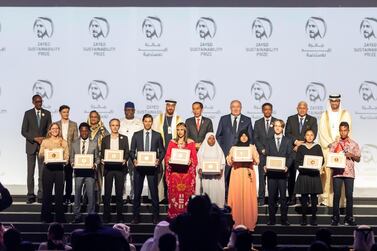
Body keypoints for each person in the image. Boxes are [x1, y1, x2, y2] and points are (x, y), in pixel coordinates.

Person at [130, 114, 165, 224]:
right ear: (143, 122)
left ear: (152, 122)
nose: (148, 123)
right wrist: (134, 160)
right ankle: (136, 217)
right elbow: (131, 151)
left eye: (150, 121)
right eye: (146, 121)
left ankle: (156, 217)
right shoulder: (136, 135)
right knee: (137, 194)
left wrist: (158, 160)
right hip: (139, 168)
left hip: (152, 168)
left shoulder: (157, 135)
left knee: (154, 194)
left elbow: (162, 151)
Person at [216, 100, 253, 201]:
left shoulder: (247, 120)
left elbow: (250, 138)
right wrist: (223, 151)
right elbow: (218, 136)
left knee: (239, 179)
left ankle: (238, 198)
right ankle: (227, 198)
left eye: (238, 107)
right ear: (230, 108)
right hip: (227, 153)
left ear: (241, 108)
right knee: (226, 177)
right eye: (233, 107)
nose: (236, 109)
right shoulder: (223, 119)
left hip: (242, 156)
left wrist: (246, 153)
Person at [318, 94, 352, 207]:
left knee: (340, 174)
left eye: (336, 101)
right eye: (332, 101)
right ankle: (325, 199)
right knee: (327, 174)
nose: (334, 103)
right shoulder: (324, 115)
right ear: (329, 102)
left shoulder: (345, 114)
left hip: (341, 149)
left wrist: (339, 144)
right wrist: (330, 144)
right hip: (328, 149)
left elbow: (347, 129)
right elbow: (322, 131)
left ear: (339, 101)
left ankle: (340, 201)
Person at [285, 101, 318, 206]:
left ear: (307, 109)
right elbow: (287, 133)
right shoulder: (291, 119)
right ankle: (291, 197)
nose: (302, 109)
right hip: (293, 151)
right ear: (297, 108)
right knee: (291, 176)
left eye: (304, 108)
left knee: (306, 177)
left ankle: (306, 198)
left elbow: (313, 134)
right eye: (300, 107)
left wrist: (301, 145)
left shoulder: (313, 119)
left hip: (306, 152)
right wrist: (295, 142)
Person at [21, 94, 52, 204]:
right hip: (31, 146)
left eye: (41, 101)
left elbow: (50, 130)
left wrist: (43, 139)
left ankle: (41, 195)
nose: (39, 103)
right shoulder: (28, 113)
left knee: (42, 172)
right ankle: (30, 195)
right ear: (33, 102)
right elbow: (23, 131)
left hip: (43, 147)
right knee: (30, 172)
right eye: (37, 102)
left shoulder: (47, 113)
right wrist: (34, 138)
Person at [226, 130, 259, 230]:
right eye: (242, 136)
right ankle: (236, 222)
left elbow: (257, 160)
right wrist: (231, 159)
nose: (244, 137)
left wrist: (253, 159)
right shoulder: (234, 148)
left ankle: (249, 222)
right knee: (237, 196)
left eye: (246, 136)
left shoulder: (252, 147)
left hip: (248, 173)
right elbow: (228, 161)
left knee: (248, 197)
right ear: (239, 137)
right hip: (237, 173)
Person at [165, 122, 198, 219]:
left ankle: (187, 215)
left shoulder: (191, 143)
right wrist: (169, 160)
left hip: (187, 174)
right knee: (174, 195)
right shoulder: (172, 142)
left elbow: (195, 159)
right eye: (178, 129)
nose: (180, 132)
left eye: (182, 129)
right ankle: (173, 215)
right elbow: (167, 156)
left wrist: (190, 161)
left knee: (186, 196)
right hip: (175, 174)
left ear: (185, 130)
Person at [330, 122, 360, 226]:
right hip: (337, 173)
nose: (343, 132)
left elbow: (358, 158)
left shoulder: (353, 143)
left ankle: (349, 218)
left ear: (348, 131)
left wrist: (351, 155)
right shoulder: (335, 144)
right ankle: (335, 218)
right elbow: (330, 157)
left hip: (349, 173)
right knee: (336, 196)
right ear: (339, 131)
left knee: (349, 196)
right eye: (341, 130)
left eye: (345, 130)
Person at [264, 119, 293, 226]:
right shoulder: (268, 140)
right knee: (271, 197)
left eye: (279, 126)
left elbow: (290, 156)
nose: (277, 127)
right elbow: (265, 155)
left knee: (283, 198)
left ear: (282, 128)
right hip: (271, 174)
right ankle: (271, 220)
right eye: (275, 125)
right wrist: (264, 165)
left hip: (282, 174)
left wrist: (287, 166)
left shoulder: (288, 140)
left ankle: (284, 220)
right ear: (273, 127)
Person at [153, 100, 183, 202]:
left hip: (174, 152)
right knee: (161, 174)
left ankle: (172, 196)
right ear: (166, 106)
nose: (170, 108)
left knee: (172, 174)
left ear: (175, 107)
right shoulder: (159, 118)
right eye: (168, 106)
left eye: (172, 106)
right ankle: (161, 197)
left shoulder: (179, 119)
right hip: (161, 150)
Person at [39, 123, 69, 223]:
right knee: (47, 194)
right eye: (53, 128)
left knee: (59, 195)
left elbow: (67, 157)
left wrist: (63, 159)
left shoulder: (64, 142)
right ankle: (46, 218)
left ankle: (60, 218)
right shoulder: (45, 141)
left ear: (59, 130)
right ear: (50, 130)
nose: (55, 130)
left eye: (57, 128)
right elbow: (40, 155)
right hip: (48, 169)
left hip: (59, 170)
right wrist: (48, 152)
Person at [71, 123, 100, 223]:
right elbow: (71, 158)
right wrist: (72, 163)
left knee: (91, 196)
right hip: (78, 173)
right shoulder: (74, 143)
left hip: (90, 174)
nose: (84, 133)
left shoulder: (94, 143)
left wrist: (95, 165)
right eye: (82, 131)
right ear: (80, 131)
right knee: (77, 195)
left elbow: (98, 158)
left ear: (89, 131)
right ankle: (77, 216)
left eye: (86, 131)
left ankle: (91, 217)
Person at [101, 118, 129, 223]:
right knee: (107, 194)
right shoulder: (105, 139)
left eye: (117, 125)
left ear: (119, 126)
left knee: (119, 193)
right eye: (113, 125)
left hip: (120, 169)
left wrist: (125, 159)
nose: (115, 127)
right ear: (110, 126)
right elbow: (102, 153)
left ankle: (119, 215)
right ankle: (106, 215)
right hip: (108, 168)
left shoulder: (124, 138)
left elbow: (127, 152)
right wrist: (103, 159)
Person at [294, 129, 324, 226]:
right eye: (307, 135)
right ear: (305, 136)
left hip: (314, 175)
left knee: (314, 197)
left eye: (312, 135)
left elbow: (322, 160)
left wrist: (317, 165)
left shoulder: (317, 147)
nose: (310, 137)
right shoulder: (301, 147)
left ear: (314, 136)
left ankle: (314, 218)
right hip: (304, 175)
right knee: (304, 197)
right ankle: (303, 218)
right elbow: (297, 161)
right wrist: (301, 168)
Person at [119, 102, 143, 204]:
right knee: (122, 176)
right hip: (123, 153)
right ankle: (124, 196)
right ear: (124, 110)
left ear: (134, 110)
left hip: (135, 153)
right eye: (127, 110)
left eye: (131, 110)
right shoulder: (120, 122)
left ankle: (133, 196)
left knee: (134, 176)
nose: (129, 112)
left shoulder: (139, 122)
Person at [253, 102, 277, 205]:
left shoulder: (276, 122)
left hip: (273, 155)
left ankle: (273, 199)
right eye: (265, 109)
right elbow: (256, 138)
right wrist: (261, 149)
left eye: (269, 109)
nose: (267, 111)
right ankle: (261, 199)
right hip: (262, 154)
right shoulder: (258, 123)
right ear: (263, 111)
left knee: (272, 178)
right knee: (262, 178)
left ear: (271, 110)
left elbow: (278, 136)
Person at [55, 105, 78, 204]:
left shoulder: (73, 124)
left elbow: (76, 140)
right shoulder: (55, 124)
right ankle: (59, 197)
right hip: (58, 154)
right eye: (64, 112)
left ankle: (68, 196)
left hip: (69, 154)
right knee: (60, 178)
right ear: (60, 113)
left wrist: (73, 155)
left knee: (69, 177)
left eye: (67, 112)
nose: (66, 113)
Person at [195, 132, 225, 208]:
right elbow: (198, 162)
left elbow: (222, 162)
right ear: (206, 140)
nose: (211, 140)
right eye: (209, 138)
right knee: (206, 193)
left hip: (216, 179)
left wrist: (221, 170)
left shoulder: (219, 150)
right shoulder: (201, 151)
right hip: (205, 178)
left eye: (213, 138)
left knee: (216, 194)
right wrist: (199, 169)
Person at [87, 110, 109, 206]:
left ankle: (98, 199)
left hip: (99, 158)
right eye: (92, 116)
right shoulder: (85, 129)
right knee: (87, 179)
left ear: (98, 118)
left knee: (98, 180)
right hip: (87, 158)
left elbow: (108, 142)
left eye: (95, 117)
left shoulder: (103, 130)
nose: (93, 118)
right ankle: (87, 199)